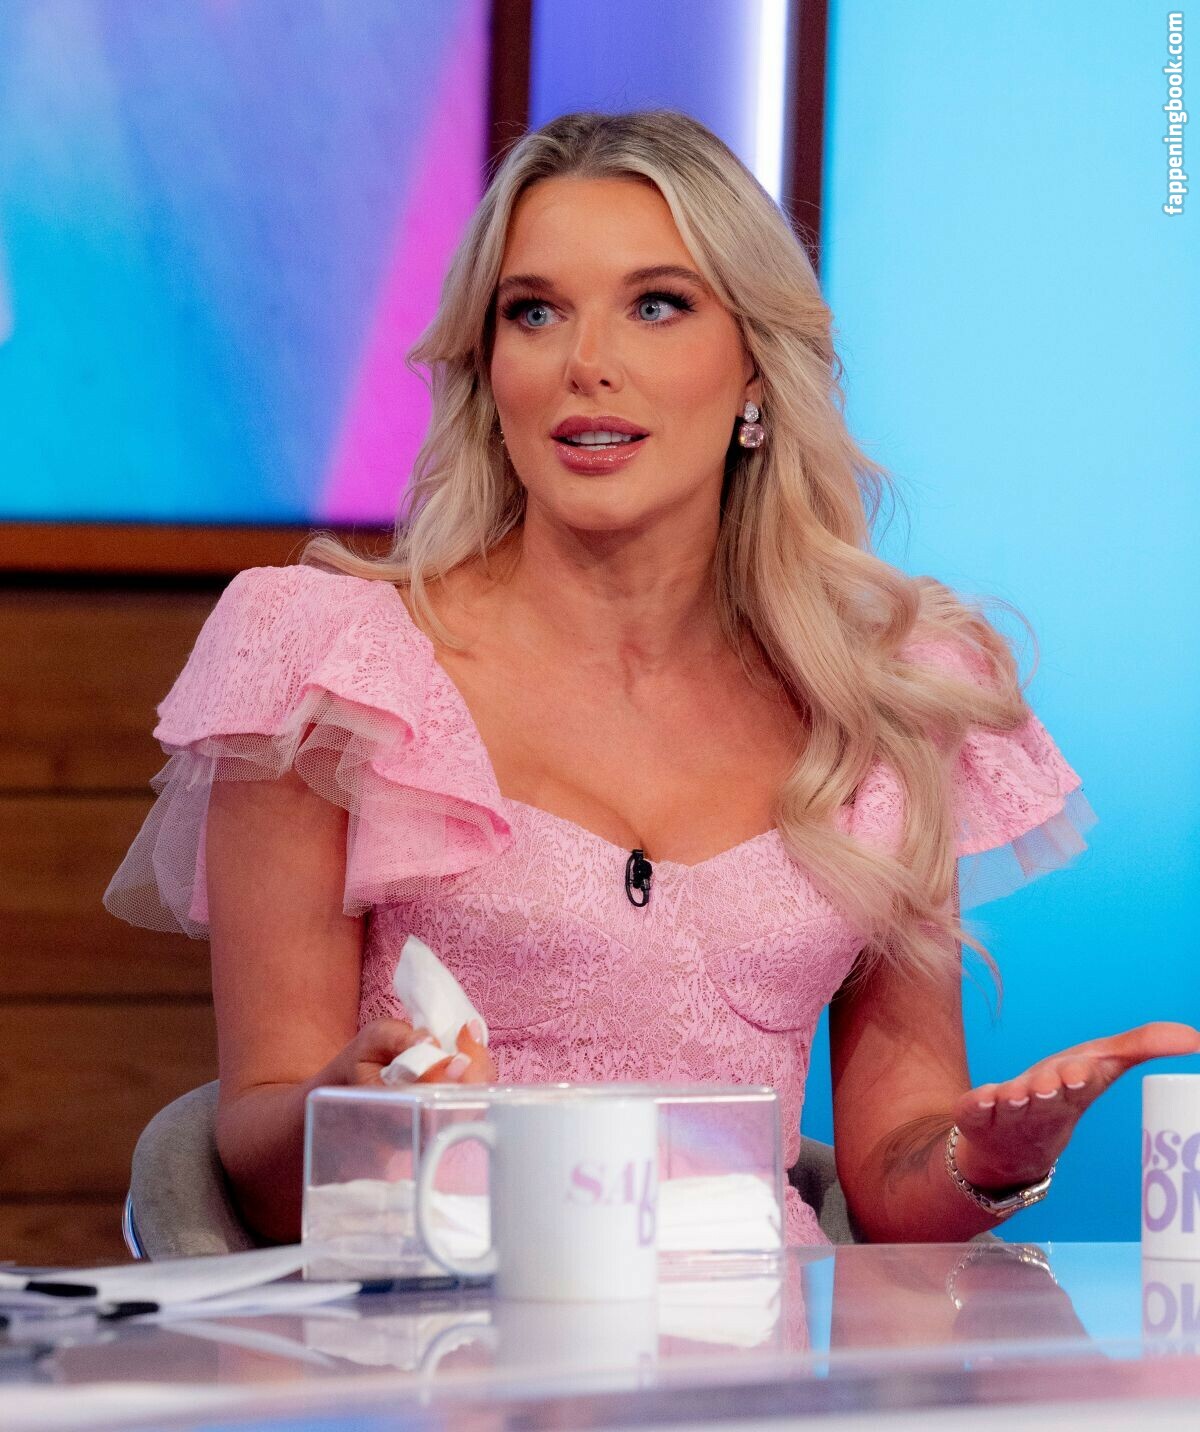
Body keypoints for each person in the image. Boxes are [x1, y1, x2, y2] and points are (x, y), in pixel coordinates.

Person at [104, 109, 1199, 1248]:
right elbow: (259, 1157)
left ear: (755, 370)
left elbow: (890, 1182)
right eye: (535, 312)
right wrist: (353, 1114)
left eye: (657, 305)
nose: (587, 363)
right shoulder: (330, 668)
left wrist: (989, 1161)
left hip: (754, 1339)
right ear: (490, 367)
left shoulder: (884, 703)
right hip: (432, 1328)